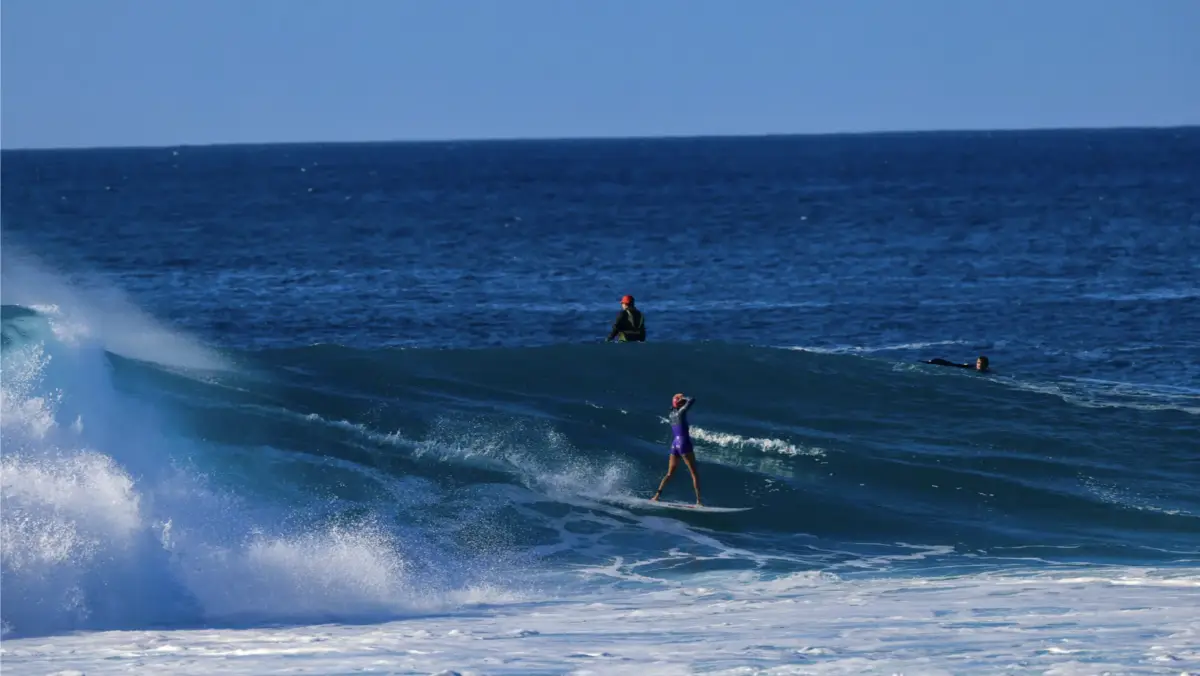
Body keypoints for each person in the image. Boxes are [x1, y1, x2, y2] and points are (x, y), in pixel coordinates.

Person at [652, 393, 702, 506]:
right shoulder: (681, 412)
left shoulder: (671, 414)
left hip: (675, 444)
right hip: (684, 443)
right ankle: (699, 501)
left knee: (669, 473)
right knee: (694, 473)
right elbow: (692, 399)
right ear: (679, 403)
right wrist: (683, 398)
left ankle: (656, 496)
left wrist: (677, 400)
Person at [923, 355, 990, 371]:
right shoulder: (973, 367)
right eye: (978, 363)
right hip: (956, 366)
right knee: (941, 362)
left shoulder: (987, 371)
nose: (979, 365)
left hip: (958, 367)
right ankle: (929, 362)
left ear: (985, 364)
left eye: (981, 363)